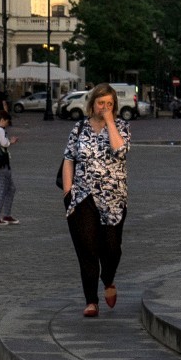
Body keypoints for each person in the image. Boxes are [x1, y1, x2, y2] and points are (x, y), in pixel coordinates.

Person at [59, 86, 130, 318]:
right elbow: (69, 158)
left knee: (112, 248)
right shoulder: (79, 128)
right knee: (87, 248)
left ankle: (108, 279)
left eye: (109, 104)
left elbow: (120, 151)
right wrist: (68, 192)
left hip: (113, 198)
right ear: (92, 104)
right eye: (101, 103)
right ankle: (91, 300)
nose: (105, 108)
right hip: (83, 196)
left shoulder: (122, 127)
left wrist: (110, 122)